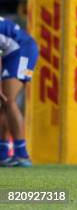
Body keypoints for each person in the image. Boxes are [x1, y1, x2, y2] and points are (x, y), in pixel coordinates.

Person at [0, 16, 38, 167]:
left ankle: (22, 154)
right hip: (11, 53)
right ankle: (2, 154)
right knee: (3, 103)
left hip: (23, 49)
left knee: (8, 100)